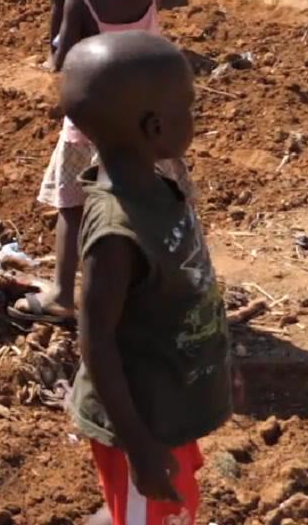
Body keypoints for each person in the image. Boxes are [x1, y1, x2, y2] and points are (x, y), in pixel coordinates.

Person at [59, 31, 232, 525]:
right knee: (147, 513)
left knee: (161, 509)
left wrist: (214, 359)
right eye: (189, 109)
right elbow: (96, 341)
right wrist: (137, 445)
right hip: (142, 423)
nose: (194, 119)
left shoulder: (158, 186)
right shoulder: (117, 231)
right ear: (155, 127)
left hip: (170, 401)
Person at [13, 0, 192, 326]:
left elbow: (63, 60)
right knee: (162, 197)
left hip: (97, 120)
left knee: (73, 205)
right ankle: (173, 286)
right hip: (150, 117)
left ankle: (62, 294)